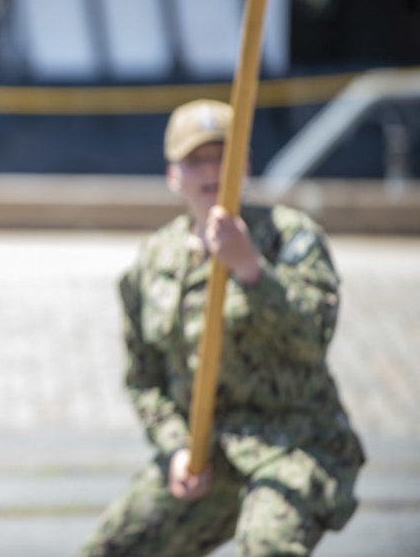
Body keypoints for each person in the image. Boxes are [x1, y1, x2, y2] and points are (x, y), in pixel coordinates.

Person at [79, 99, 365, 557]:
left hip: (295, 444)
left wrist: (250, 269)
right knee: (110, 549)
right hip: (206, 454)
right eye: (196, 160)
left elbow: (314, 336)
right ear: (173, 175)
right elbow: (144, 380)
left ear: (245, 166)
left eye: (223, 156)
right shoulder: (153, 261)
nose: (212, 169)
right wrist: (177, 449)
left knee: (267, 545)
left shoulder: (288, 237)